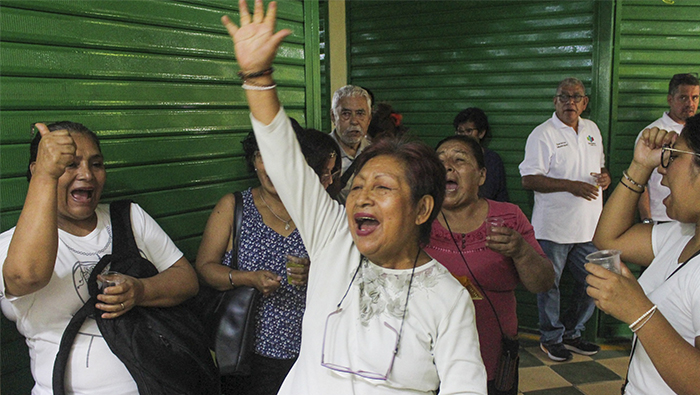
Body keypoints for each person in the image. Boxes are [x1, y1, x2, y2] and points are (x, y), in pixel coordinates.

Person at [221, 1, 487, 394]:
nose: (361, 197)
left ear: (421, 209)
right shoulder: (333, 241)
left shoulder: (448, 299)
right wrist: (258, 76)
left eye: (382, 188)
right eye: (357, 185)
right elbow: (284, 161)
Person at [0, 121, 199, 395]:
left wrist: (141, 290)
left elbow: (187, 280)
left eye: (96, 164)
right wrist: (46, 176)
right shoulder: (11, 246)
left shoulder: (129, 217)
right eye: (69, 164)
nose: (87, 175)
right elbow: (27, 276)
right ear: (37, 169)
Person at [195, 126, 338, 395]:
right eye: (263, 155)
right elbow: (204, 269)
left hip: (310, 351)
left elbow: (344, 274)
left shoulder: (317, 212)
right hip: (247, 353)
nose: (271, 166)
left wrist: (315, 273)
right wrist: (247, 278)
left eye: (281, 155)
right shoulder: (233, 206)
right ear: (253, 160)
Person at [426, 135, 553, 394]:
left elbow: (543, 282)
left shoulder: (508, 216)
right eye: (440, 161)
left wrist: (520, 251)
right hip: (429, 358)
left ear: (481, 175)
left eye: (459, 160)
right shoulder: (419, 218)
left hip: (493, 356)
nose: (447, 167)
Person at [587, 117, 700, 395]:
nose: (662, 171)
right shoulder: (682, 235)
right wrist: (640, 165)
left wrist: (639, 311)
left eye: (673, 156)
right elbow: (608, 239)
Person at [519, 77, 611, 362]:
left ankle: (572, 333)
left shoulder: (592, 129)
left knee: (594, 284)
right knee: (549, 286)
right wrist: (571, 186)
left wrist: (605, 177)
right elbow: (528, 179)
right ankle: (551, 338)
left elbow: (600, 165)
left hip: (589, 229)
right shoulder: (542, 134)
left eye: (576, 97)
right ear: (555, 101)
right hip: (553, 229)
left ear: (584, 102)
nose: (570, 102)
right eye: (564, 97)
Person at [635, 73, 699, 224]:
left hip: (693, 218)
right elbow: (641, 181)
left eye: (695, 97)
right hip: (662, 218)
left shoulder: (696, 133)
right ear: (670, 99)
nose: (690, 103)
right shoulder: (652, 134)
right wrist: (647, 219)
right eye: (683, 98)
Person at [326, 84, 373, 204]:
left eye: (360, 114)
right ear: (333, 116)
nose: (354, 121)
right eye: (346, 114)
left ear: (369, 118)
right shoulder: (320, 154)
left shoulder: (375, 152)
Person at [453, 108, 509, 202]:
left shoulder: (492, 160)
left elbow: (497, 194)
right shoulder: (450, 159)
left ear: (481, 133)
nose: (464, 136)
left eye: (469, 131)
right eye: (460, 131)